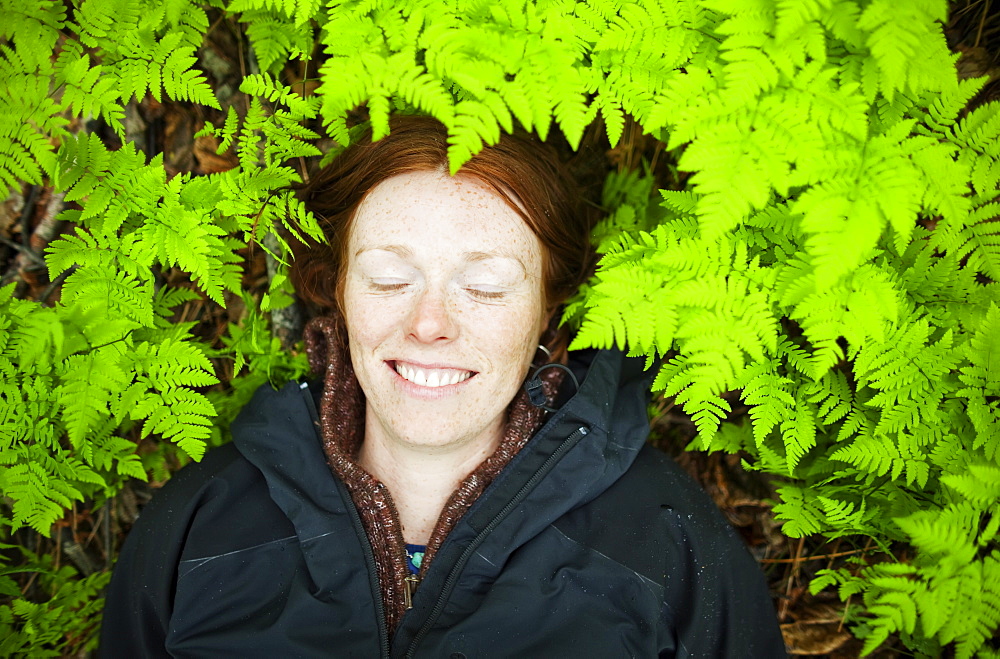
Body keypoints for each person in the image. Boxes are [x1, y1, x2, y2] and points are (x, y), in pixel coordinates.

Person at [100, 116, 787, 657]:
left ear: (551, 305)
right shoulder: (196, 529)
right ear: (336, 287)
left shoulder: (671, 553)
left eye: (485, 286)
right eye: (390, 277)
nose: (430, 323)